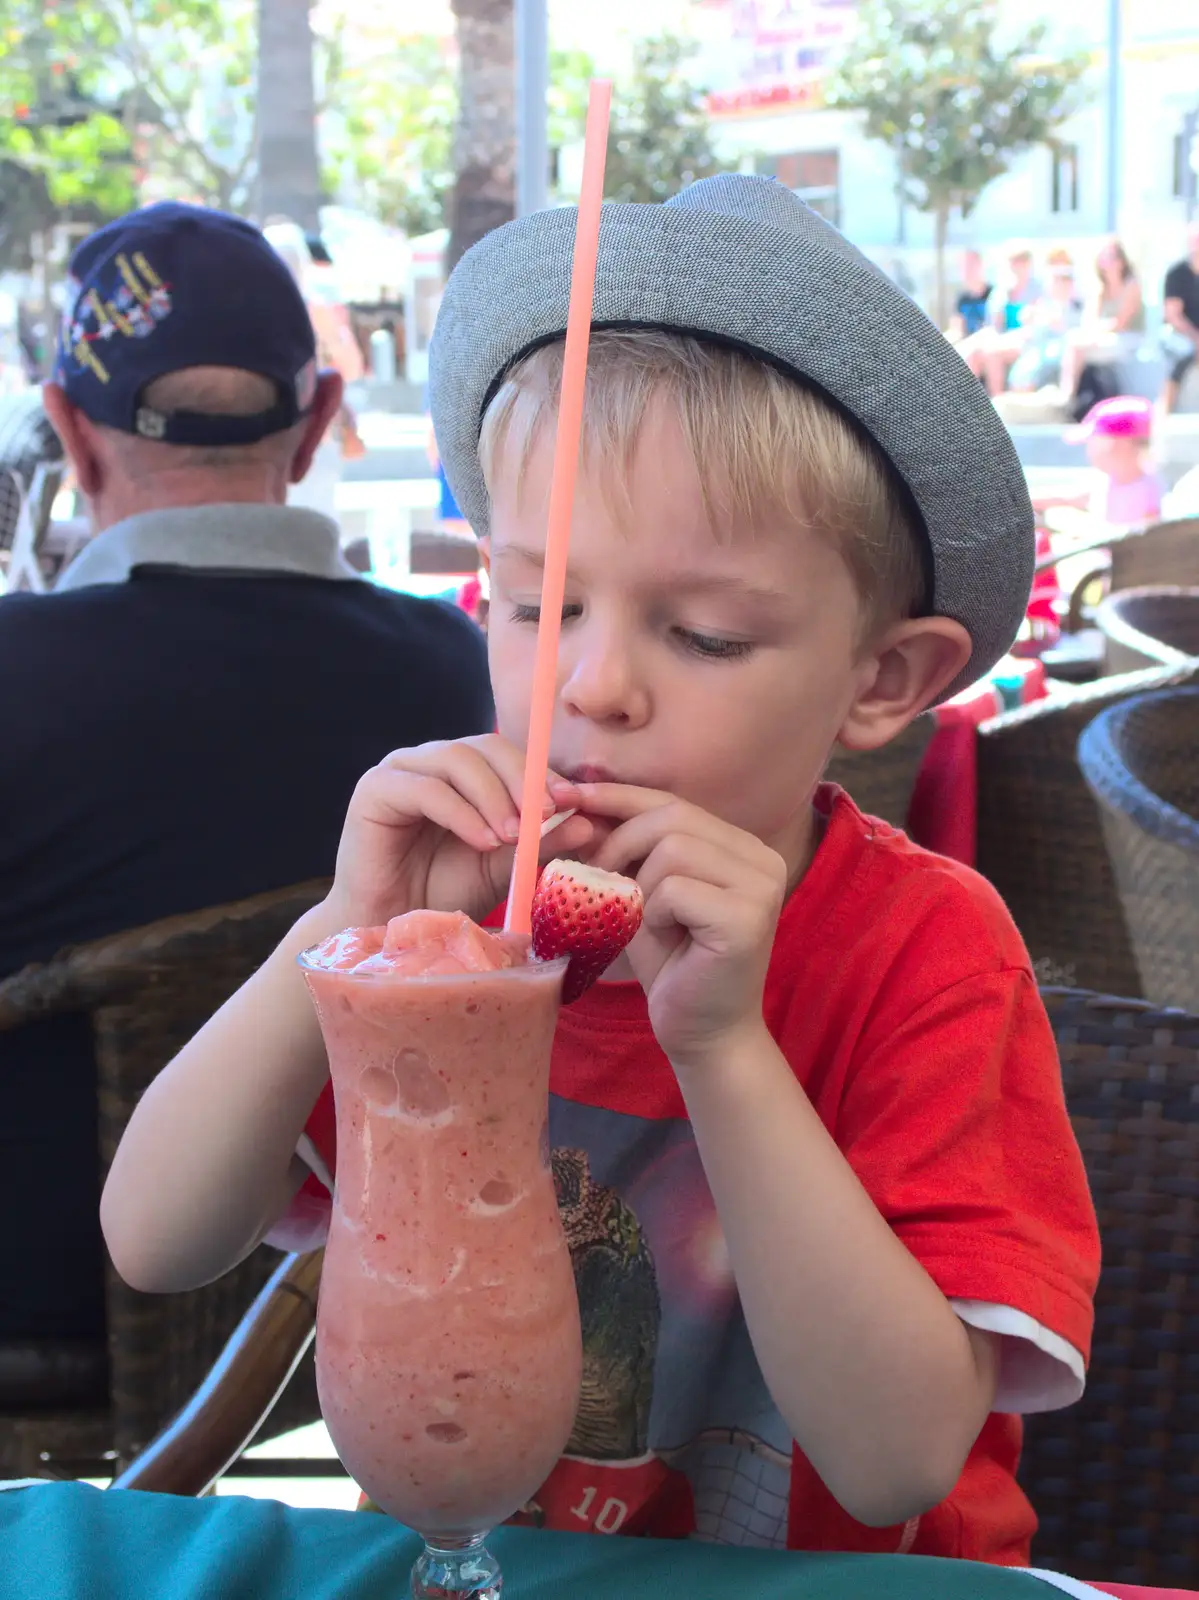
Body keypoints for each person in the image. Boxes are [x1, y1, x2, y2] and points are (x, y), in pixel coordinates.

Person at [101, 177, 1098, 1563]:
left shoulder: (922, 949)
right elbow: (157, 1240)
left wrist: (722, 1047)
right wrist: (341, 930)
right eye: (537, 603)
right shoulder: (455, 919)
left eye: (699, 634)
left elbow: (890, 1465)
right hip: (484, 1560)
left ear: (881, 677)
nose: (589, 683)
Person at [0, 202, 493, 1352]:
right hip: (363, 1282)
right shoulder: (452, 670)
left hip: (29, 1291)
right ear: (319, 418)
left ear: (71, 435)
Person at [1034, 395, 1163, 528]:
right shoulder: (1104, 481)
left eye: (1093, 441)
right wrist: (1024, 500)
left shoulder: (1148, 489)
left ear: (1121, 445)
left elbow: (1146, 537)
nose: (1089, 450)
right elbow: (1067, 497)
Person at [1053, 239, 1144, 406]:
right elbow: (1089, 320)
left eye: (1111, 257)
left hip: (1129, 338)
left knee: (1078, 345)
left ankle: (1067, 396)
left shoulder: (1131, 285)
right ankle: (1067, 397)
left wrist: (1097, 332)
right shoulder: (1099, 288)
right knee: (1074, 340)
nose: (1106, 262)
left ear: (1122, 261)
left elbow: (1121, 323)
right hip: (1102, 337)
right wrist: (1094, 333)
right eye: (1103, 258)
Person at [959, 244, 1043, 395]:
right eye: (1014, 261)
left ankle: (997, 403)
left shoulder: (1038, 289)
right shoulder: (1001, 292)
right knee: (974, 353)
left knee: (992, 352)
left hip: (1029, 342)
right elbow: (994, 325)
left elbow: (1038, 325)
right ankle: (966, 400)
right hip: (1003, 338)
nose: (1017, 266)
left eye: (1022, 261)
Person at [1006, 249, 1083, 394]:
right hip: (1038, 349)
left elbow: (1067, 327)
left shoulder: (1076, 302)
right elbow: (1028, 321)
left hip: (1060, 350)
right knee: (1022, 369)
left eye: (1064, 278)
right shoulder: (1044, 302)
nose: (1060, 282)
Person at [1161, 222, 1199, 415]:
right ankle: (1165, 409)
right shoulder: (1177, 274)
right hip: (1178, 333)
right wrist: (1195, 338)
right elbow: (1173, 316)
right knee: (1183, 354)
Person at [945, 248, 992, 342]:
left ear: (981, 265)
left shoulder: (994, 294)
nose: (967, 270)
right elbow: (956, 330)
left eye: (971, 265)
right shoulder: (961, 299)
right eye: (963, 266)